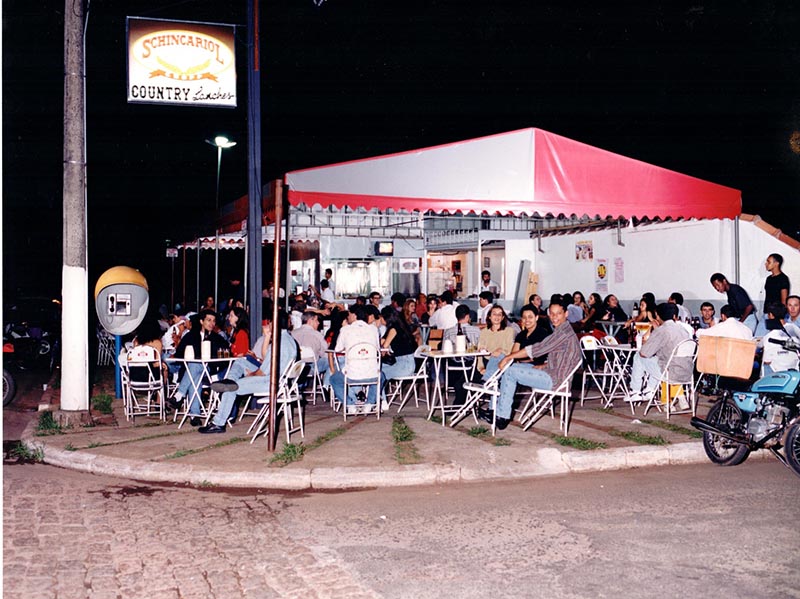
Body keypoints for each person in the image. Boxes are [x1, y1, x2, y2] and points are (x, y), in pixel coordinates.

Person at [479, 299, 580, 430]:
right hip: (550, 372)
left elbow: (537, 349)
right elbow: (561, 359)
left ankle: (501, 416)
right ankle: (494, 408)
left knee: (510, 371)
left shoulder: (563, 333)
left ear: (566, 314)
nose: (554, 317)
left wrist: (509, 356)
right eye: (552, 314)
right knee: (508, 365)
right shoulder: (560, 331)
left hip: (556, 381)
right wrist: (544, 365)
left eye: (558, 314)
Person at [201, 309, 298, 434]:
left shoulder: (278, 343)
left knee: (231, 388)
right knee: (241, 361)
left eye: (269, 323)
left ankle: (218, 423)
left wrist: (249, 375)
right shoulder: (289, 340)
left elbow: (263, 372)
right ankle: (229, 379)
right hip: (280, 380)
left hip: (269, 381)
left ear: (273, 324)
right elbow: (267, 362)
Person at [168, 309, 230, 425]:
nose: (212, 323)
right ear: (201, 321)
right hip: (192, 372)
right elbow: (179, 354)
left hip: (210, 372)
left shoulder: (218, 339)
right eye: (209, 320)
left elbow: (224, 356)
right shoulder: (191, 336)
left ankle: (179, 395)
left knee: (195, 367)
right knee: (195, 376)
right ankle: (194, 416)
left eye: (213, 321)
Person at [625, 303, 692, 407]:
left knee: (638, 357)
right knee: (659, 360)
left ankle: (635, 390)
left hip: (670, 373)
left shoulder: (662, 330)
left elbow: (644, 353)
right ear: (674, 316)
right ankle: (650, 389)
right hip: (687, 372)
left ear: (657, 316)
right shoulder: (682, 329)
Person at [330, 304, 382, 413]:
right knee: (382, 377)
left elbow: (338, 349)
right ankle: (370, 403)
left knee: (334, 379)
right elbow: (377, 348)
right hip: (372, 373)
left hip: (351, 374)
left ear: (354, 315)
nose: (348, 316)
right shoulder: (373, 329)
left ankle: (350, 405)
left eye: (349, 314)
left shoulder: (345, 330)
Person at [442, 304, 481, 406]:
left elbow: (444, 349)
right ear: (468, 317)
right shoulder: (476, 330)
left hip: (452, 366)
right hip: (471, 365)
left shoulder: (448, 331)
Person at [380, 306, 418, 406]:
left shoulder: (393, 329)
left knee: (378, 373)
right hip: (406, 363)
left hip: (404, 365)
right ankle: (381, 399)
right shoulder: (399, 326)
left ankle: (382, 401)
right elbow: (382, 341)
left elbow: (384, 345)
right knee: (378, 369)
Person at [291, 311, 330, 383]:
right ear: (310, 321)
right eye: (316, 320)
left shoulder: (292, 333)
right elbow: (325, 354)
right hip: (311, 367)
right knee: (331, 361)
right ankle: (326, 385)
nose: (318, 323)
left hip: (294, 368)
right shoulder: (317, 335)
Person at [761, 303, 799, 374]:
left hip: (776, 373)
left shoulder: (770, 336)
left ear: (771, 315)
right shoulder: (794, 328)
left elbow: (767, 361)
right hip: (794, 370)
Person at [477, 305, 516, 372]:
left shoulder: (509, 331)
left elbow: (511, 351)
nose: (497, 316)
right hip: (487, 361)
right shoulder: (484, 332)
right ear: (489, 316)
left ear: (503, 317)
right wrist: (481, 367)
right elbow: (479, 353)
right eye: (494, 314)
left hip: (503, 361)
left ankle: (487, 378)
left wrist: (501, 351)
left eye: (499, 314)